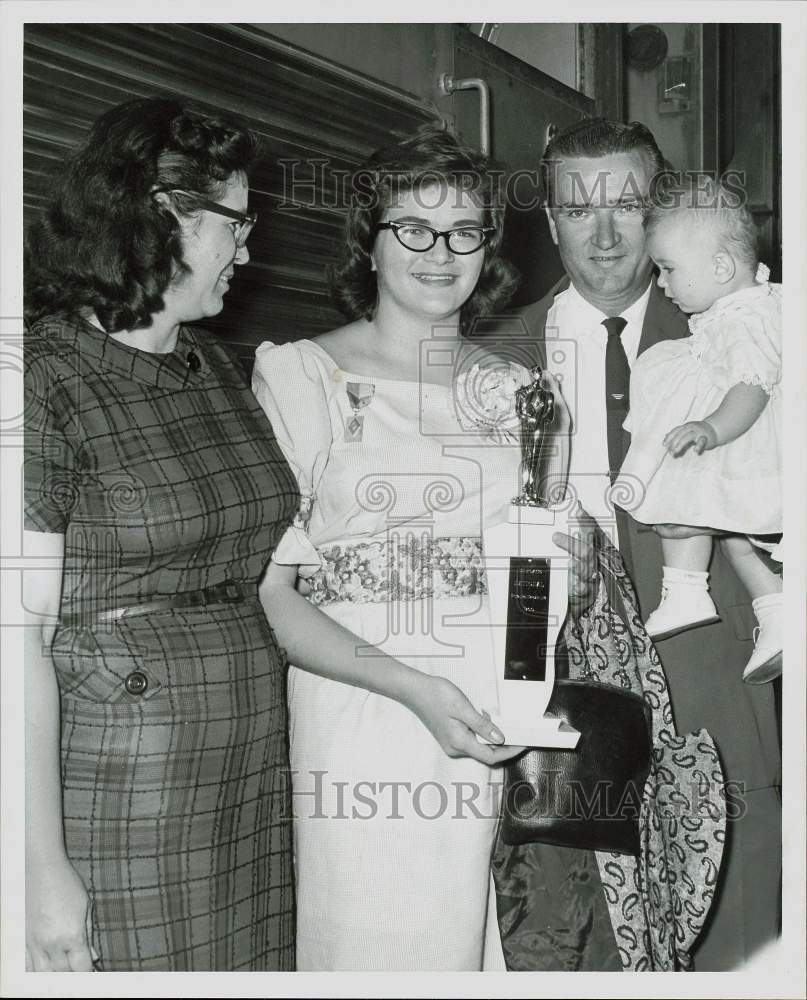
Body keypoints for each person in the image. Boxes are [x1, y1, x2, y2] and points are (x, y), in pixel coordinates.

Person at [251, 126, 592, 970]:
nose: (440, 252)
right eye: (413, 228)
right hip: (365, 706)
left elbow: (539, 571)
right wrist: (410, 687)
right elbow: (270, 594)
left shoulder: (516, 393)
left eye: (464, 231)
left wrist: (531, 661)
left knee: (466, 949)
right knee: (375, 947)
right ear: (368, 242)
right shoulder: (302, 375)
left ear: (488, 246)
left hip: (489, 711)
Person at [491, 118, 781, 971]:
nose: (608, 233)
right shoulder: (490, 352)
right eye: (580, 209)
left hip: (710, 663)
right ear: (548, 222)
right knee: (577, 923)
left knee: (739, 916)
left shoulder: (745, 326)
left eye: (628, 204)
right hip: (559, 680)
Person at [24, 97, 299, 971]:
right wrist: (42, 870)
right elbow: (14, 640)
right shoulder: (40, 377)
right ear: (163, 212)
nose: (247, 249)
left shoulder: (214, 364)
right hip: (124, 782)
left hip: (248, 764)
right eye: (236, 222)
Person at [614, 181, 782, 682]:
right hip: (739, 434)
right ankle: (769, 610)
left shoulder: (741, 322)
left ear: (721, 269)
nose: (661, 282)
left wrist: (710, 429)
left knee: (685, 507)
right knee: (730, 536)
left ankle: (685, 587)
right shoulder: (751, 303)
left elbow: (750, 387)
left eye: (668, 269)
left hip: (740, 435)